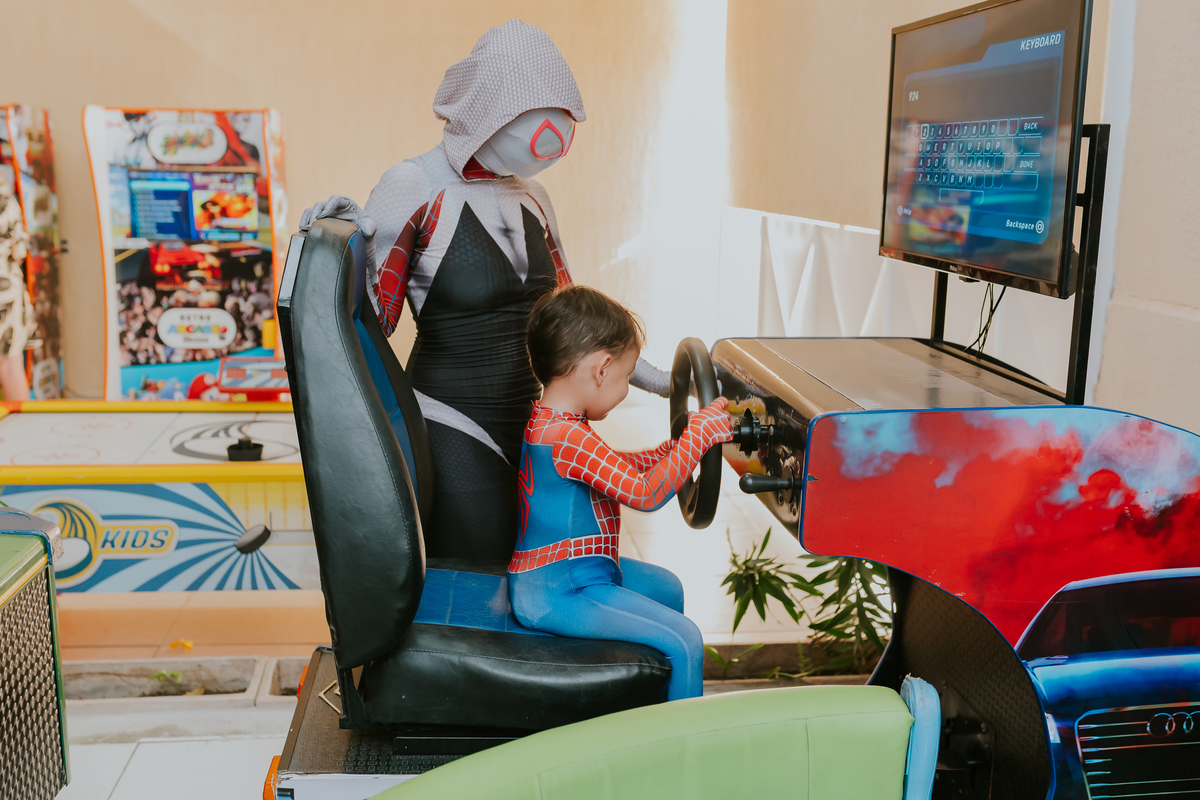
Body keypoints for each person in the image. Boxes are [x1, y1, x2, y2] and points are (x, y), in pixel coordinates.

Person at [299, 20, 672, 561]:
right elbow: (370, 324)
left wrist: (664, 382)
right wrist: (341, 245)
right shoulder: (415, 185)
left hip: (538, 425)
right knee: (478, 577)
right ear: (490, 111)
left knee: (534, 572)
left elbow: (580, 329)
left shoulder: (535, 198)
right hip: (451, 423)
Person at [507, 286, 733, 700]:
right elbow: (644, 494)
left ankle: (651, 702)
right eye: (627, 377)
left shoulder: (554, 424)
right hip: (557, 592)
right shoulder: (566, 436)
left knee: (668, 588)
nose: (626, 386)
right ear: (602, 369)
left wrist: (669, 453)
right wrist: (696, 438)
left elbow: (610, 468)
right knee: (685, 640)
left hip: (579, 574)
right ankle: (681, 740)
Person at [0, 176, 38, 400]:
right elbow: (20, 253)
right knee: (11, 365)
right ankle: (20, 422)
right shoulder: (7, 201)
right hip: (7, 290)